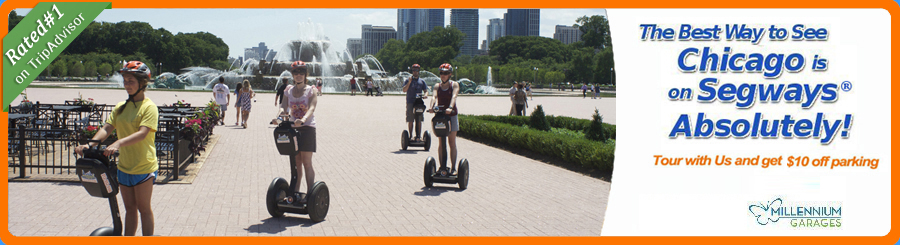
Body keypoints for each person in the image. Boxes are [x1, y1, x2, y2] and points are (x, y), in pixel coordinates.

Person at [75, 61, 159, 236]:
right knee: (129, 208)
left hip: (143, 165)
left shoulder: (149, 107)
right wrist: (89, 145)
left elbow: (143, 133)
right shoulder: (121, 107)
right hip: (124, 166)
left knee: (144, 209)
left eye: (131, 81)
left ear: (142, 83)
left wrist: (119, 143)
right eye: (125, 81)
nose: (127, 85)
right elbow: (106, 129)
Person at [281, 61, 319, 201]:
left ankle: (310, 194)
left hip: (307, 128)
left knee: (306, 162)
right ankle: (295, 193)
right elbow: (283, 106)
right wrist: (280, 115)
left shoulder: (311, 90)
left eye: (301, 73)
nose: (298, 75)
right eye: (296, 73)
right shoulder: (288, 90)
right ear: (292, 75)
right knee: (296, 162)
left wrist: (303, 119)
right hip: (292, 129)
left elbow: (312, 108)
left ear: (305, 75)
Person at [427, 63, 461, 174]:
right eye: (441, 73)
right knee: (441, 142)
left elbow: (454, 96)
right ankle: (442, 167)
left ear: (450, 74)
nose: (443, 75)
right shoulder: (437, 86)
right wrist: (431, 107)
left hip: (451, 115)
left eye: (445, 73)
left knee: (451, 142)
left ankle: (453, 168)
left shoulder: (454, 85)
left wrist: (450, 107)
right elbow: (434, 96)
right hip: (440, 116)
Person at [402, 64, 429, 142]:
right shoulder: (408, 80)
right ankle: (410, 136)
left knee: (419, 119)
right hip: (410, 102)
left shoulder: (422, 81)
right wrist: (409, 82)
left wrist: (425, 95)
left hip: (419, 102)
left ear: (419, 71)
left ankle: (418, 136)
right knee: (410, 119)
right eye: (413, 70)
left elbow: (426, 91)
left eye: (416, 70)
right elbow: (404, 90)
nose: (415, 71)